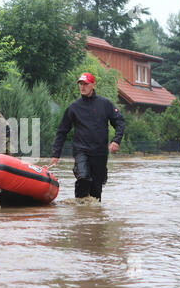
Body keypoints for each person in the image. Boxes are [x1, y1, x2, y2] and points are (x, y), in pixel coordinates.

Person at [50, 73, 125, 201]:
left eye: (86, 84)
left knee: (96, 193)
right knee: (83, 177)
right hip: (81, 150)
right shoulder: (73, 108)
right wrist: (56, 154)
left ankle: (90, 217)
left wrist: (116, 141)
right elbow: (62, 131)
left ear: (93, 85)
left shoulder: (105, 104)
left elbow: (120, 122)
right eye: (81, 84)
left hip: (100, 153)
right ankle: (79, 207)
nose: (82, 87)